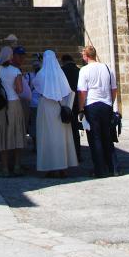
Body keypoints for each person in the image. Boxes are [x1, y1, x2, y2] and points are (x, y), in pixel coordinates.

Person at [32, 49, 77, 177]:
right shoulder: (60, 74)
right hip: (60, 106)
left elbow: (36, 86)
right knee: (61, 137)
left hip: (46, 107)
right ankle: (63, 167)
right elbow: (67, 90)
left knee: (47, 137)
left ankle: (51, 167)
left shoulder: (41, 74)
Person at [0, 45, 27, 177]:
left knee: (2, 136)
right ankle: (17, 166)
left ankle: (4, 168)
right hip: (13, 104)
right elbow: (20, 90)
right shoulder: (16, 71)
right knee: (16, 134)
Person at [77, 44, 117, 177]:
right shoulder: (107, 68)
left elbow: (82, 92)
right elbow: (114, 88)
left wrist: (81, 108)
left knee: (95, 139)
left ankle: (100, 170)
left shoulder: (84, 70)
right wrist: (110, 102)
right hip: (106, 105)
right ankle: (113, 168)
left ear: (86, 56)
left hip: (91, 105)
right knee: (107, 137)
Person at [60, 53, 82, 162]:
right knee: (75, 130)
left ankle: (68, 154)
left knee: (66, 130)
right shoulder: (78, 70)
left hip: (66, 103)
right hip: (77, 102)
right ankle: (77, 153)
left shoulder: (62, 70)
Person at [11, 46, 31, 139]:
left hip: (23, 102)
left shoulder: (18, 68)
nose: (22, 58)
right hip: (17, 102)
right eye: (19, 56)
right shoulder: (12, 69)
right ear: (13, 56)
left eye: (23, 56)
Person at [25, 53, 42, 146]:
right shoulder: (44, 76)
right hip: (42, 103)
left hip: (32, 103)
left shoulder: (29, 75)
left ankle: (35, 143)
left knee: (33, 123)